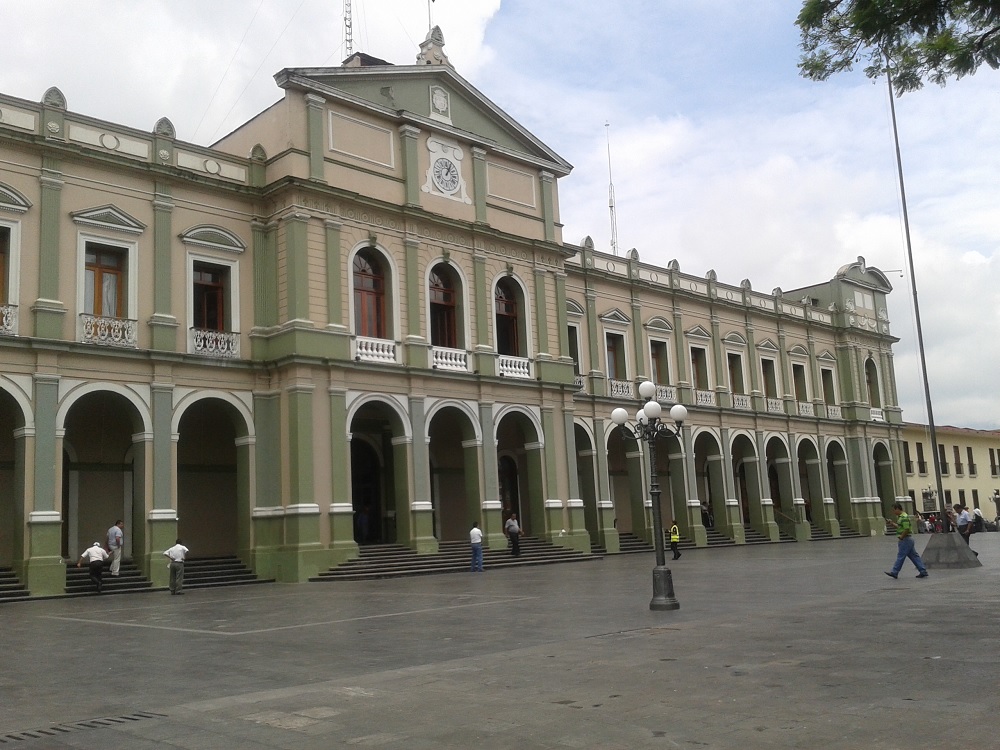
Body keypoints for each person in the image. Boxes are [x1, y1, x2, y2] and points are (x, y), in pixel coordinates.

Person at [885, 502, 928, 579]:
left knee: (900, 556)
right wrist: (891, 523)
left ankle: (895, 572)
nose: (893, 512)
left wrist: (901, 537)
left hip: (905, 539)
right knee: (914, 556)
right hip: (908, 539)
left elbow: (906, 529)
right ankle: (922, 570)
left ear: (897, 509)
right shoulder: (901, 517)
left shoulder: (904, 517)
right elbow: (899, 527)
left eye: (894, 510)